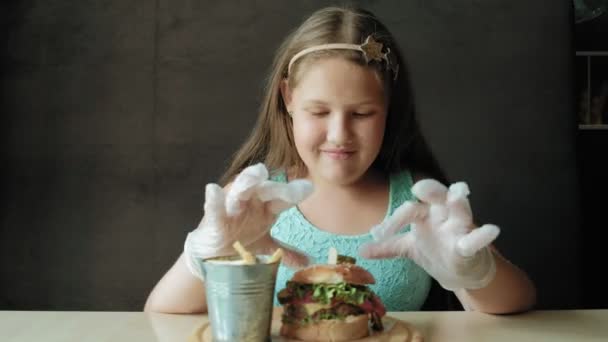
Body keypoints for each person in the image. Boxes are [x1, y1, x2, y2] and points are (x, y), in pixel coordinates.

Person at [144, 5, 536, 314]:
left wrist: (472, 272)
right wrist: (208, 252)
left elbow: (518, 301)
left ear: (389, 109)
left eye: (362, 114)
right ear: (288, 98)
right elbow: (161, 312)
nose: (339, 134)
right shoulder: (251, 202)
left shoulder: (423, 206)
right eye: (319, 112)